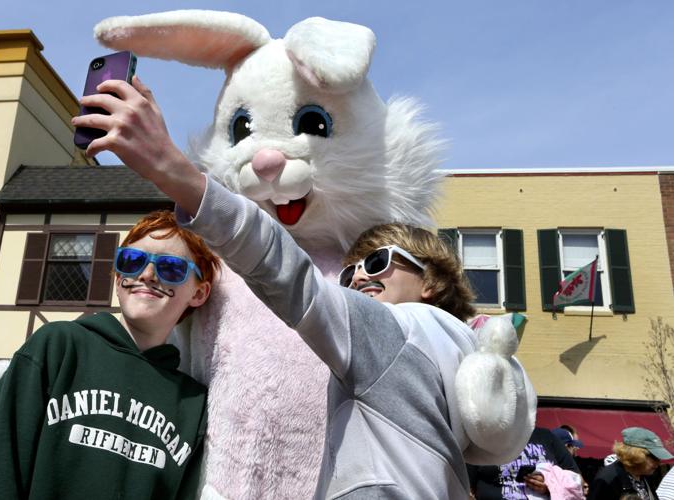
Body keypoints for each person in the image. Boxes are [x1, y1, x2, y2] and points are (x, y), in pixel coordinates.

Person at [72, 75, 536, 498]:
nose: (358, 278)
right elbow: (494, 439)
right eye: (350, 272)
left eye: (377, 262)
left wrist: (175, 171)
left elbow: (284, 270)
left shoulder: (391, 333)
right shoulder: (467, 351)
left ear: (432, 279)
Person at [0, 211, 220, 499]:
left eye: (171, 267)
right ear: (117, 276)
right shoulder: (59, 346)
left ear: (199, 292)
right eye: (131, 261)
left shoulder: (194, 404)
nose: (146, 274)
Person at [469, 427, 582, 499]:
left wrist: (550, 485)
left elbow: (578, 481)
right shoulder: (481, 440)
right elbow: (465, 489)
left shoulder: (546, 436)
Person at [588, 427, 674, 500]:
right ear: (636, 454)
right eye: (654, 457)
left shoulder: (644, 475)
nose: (658, 462)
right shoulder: (608, 480)